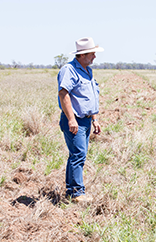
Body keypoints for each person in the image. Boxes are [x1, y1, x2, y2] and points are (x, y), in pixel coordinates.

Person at [57, 37, 104, 203]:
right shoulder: (69, 70)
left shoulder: (87, 71)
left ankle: (72, 191)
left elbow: (90, 97)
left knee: (77, 155)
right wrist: (71, 119)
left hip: (85, 120)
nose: (95, 57)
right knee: (78, 155)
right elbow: (64, 94)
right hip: (74, 120)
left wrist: (95, 119)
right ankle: (77, 193)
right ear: (83, 55)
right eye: (92, 54)